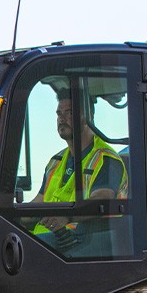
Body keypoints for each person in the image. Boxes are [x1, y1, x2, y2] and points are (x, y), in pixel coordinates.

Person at [32, 96, 128, 237]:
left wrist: (67, 216)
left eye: (70, 112)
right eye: (59, 113)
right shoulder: (55, 162)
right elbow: (39, 202)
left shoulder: (106, 159)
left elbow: (102, 200)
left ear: (89, 116)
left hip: (88, 242)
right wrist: (13, 213)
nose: (62, 119)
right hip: (50, 239)